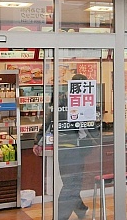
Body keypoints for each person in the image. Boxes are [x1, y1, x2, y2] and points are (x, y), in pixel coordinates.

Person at [33, 74, 91, 219]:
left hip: (63, 148)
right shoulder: (81, 102)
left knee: (71, 182)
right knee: (71, 185)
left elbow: (48, 122)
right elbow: (87, 128)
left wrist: (38, 141)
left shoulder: (61, 100)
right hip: (74, 149)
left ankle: (81, 210)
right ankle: (60, 217)